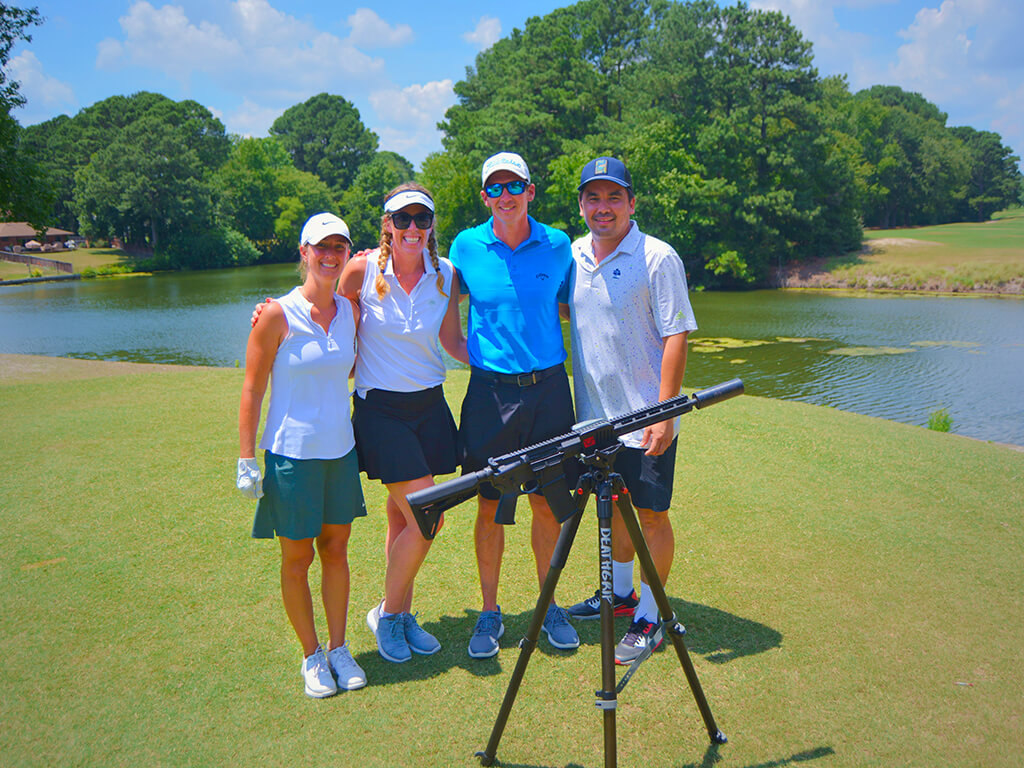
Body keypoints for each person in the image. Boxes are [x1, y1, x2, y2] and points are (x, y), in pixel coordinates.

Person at [562, 157, 697, 665]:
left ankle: (650, 616)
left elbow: (676, 333)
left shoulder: (658, 257)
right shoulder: (573, 254)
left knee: (651, 514)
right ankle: (619, 595)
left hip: (648, 416)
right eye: (593, 198)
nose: (603, 208)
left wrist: (663, 412)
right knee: (614, 505)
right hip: (596, 419)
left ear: (631, 203)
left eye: (613, 197)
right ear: (581, 205)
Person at [447, 152, 580, 658]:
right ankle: (489, 610)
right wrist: (477, 359)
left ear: (530, 190)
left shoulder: (558, 245)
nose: (505, 196)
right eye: (495, 189)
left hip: (548, 392)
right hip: (490, 395)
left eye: (514, 186)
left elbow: (576, 306)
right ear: (484, 196)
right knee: (489, 505)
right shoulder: (465, 246)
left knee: (549, 503)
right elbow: (435, 305)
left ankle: (550, 605)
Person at [237, 212, 368, 697]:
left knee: (336, 551)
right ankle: (312, 656)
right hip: (291, 456)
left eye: (340, 248)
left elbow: (349, 371)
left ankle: (338, 648)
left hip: (341, 451)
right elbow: (251, 389)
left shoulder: (351, 311)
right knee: (297, 559)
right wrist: (246, 458)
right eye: (321, 247)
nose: (330, 256)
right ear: (304, 253)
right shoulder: (276, 313)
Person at [340, 183, 468, 664]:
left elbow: (453, 341)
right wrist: (277, 315)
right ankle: (389, 615)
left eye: (422, 218)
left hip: (430, 408)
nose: (413, 227)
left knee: (402, 518)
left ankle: (401, 611)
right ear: (388, 223)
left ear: (431, 225)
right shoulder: (362, 268)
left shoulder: (446, 273)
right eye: (403, 218)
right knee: (426, 512)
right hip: (381, 411)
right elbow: (332, 321)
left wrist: (505, 361)